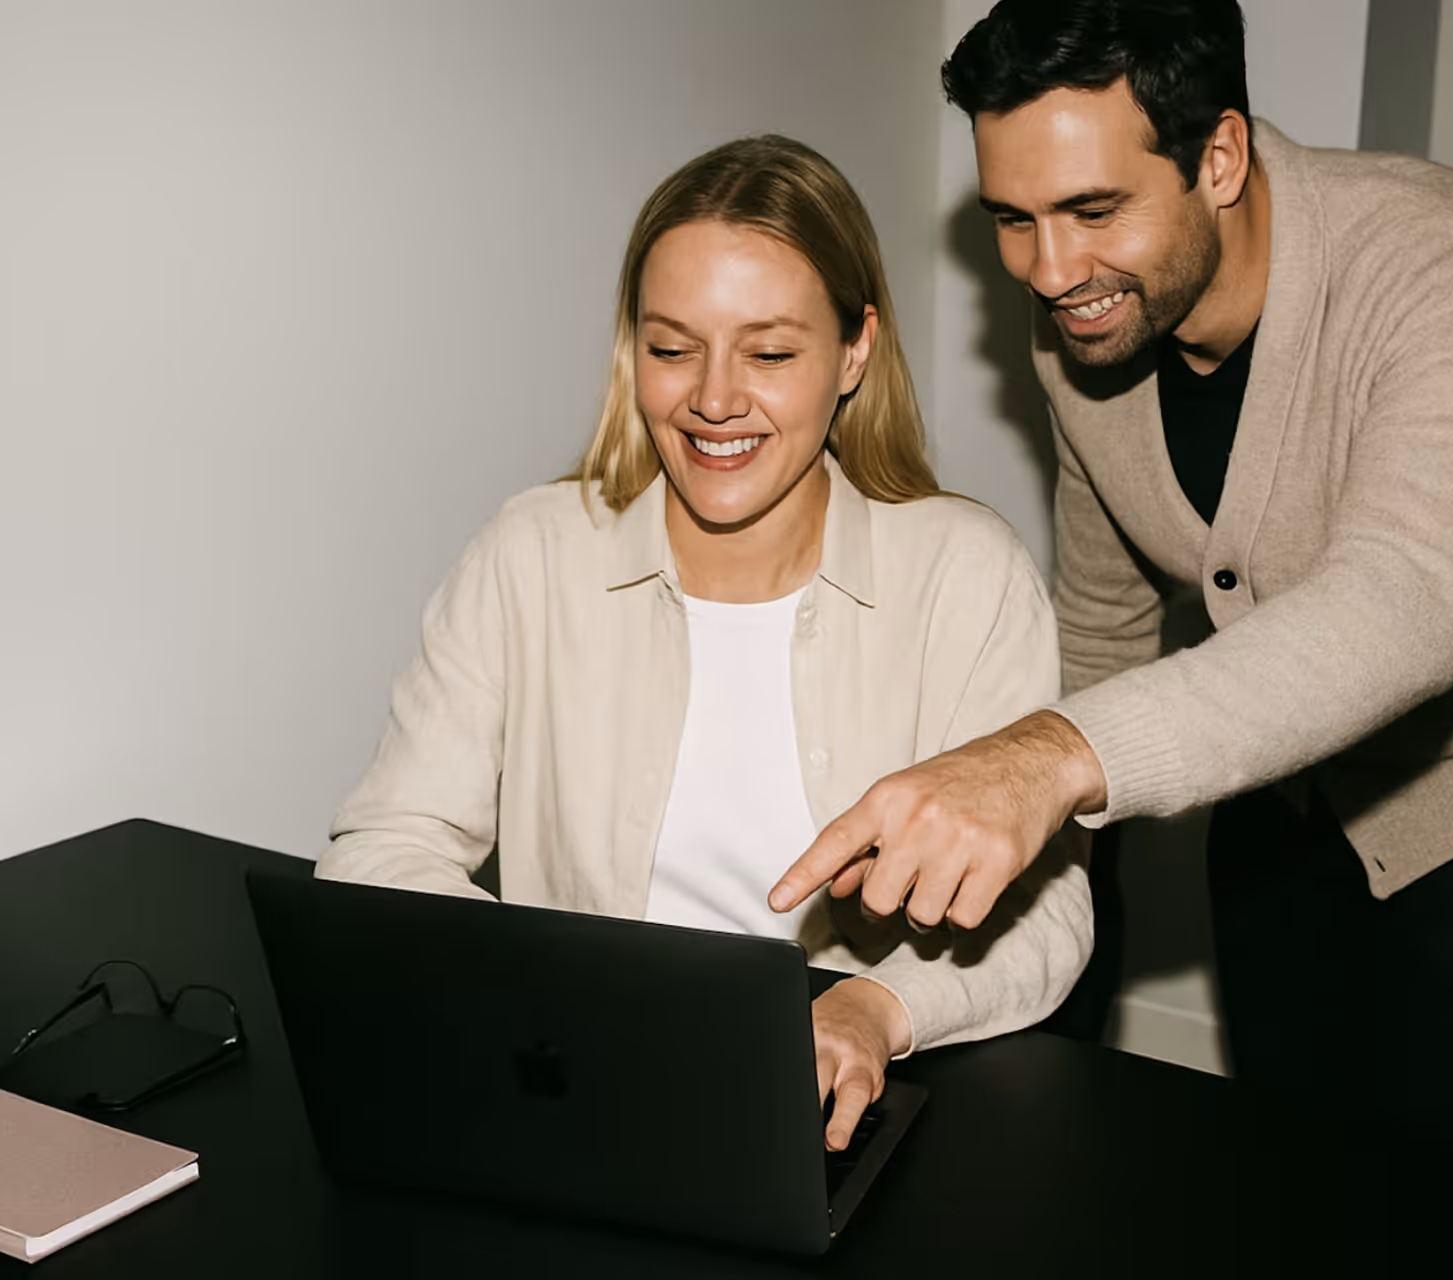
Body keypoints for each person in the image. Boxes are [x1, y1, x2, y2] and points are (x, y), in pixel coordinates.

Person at [771, 0, 1453, 1215]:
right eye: (1012, 222)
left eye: (1091, 210)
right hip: (1279, 775)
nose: (1048, 271)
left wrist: (1044, 760)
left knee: (1430, 1186)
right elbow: (1102, 616)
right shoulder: (1081, 324)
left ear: (1220, 156)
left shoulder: (1450, 261)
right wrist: (1029, 888)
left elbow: (1401, 609)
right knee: (1279, 1150)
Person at [317, 134, 1092, 1152]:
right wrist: (531, 992)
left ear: (855, 349)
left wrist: (873, 1005)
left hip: (848, 1109)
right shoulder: (530, 552)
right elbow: (384, 845)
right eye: (671, 346)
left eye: (769, 352)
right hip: (575, 1094)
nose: (712, 399)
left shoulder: (966, 573)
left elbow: (1046, 916)